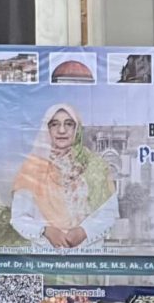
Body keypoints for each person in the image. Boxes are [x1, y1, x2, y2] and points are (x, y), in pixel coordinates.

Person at [11, 104, 119, 248]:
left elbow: (108, 213)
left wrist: (83, 231)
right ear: (46, 129)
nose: (62, 130)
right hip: (46, 259)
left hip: (88, 258)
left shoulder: (96, 166)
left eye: (69, 124)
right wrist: (45, 231)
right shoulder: (32, 169)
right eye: (54, 124)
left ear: (77, 129)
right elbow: (19, 217)